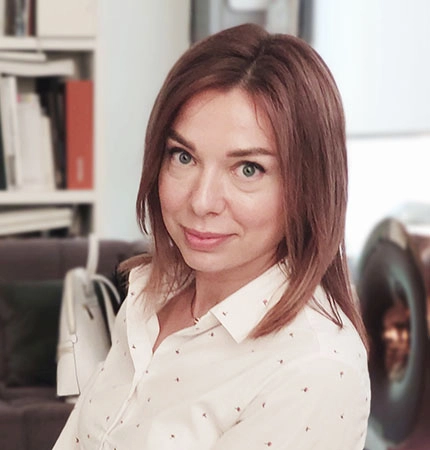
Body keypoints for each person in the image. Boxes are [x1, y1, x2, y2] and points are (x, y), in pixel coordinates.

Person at [54, 23, 370, 449]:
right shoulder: (150, 296)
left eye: (248, 169)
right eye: (183, 157)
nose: (201, 201)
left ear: (307, 186)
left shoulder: (314, 370)